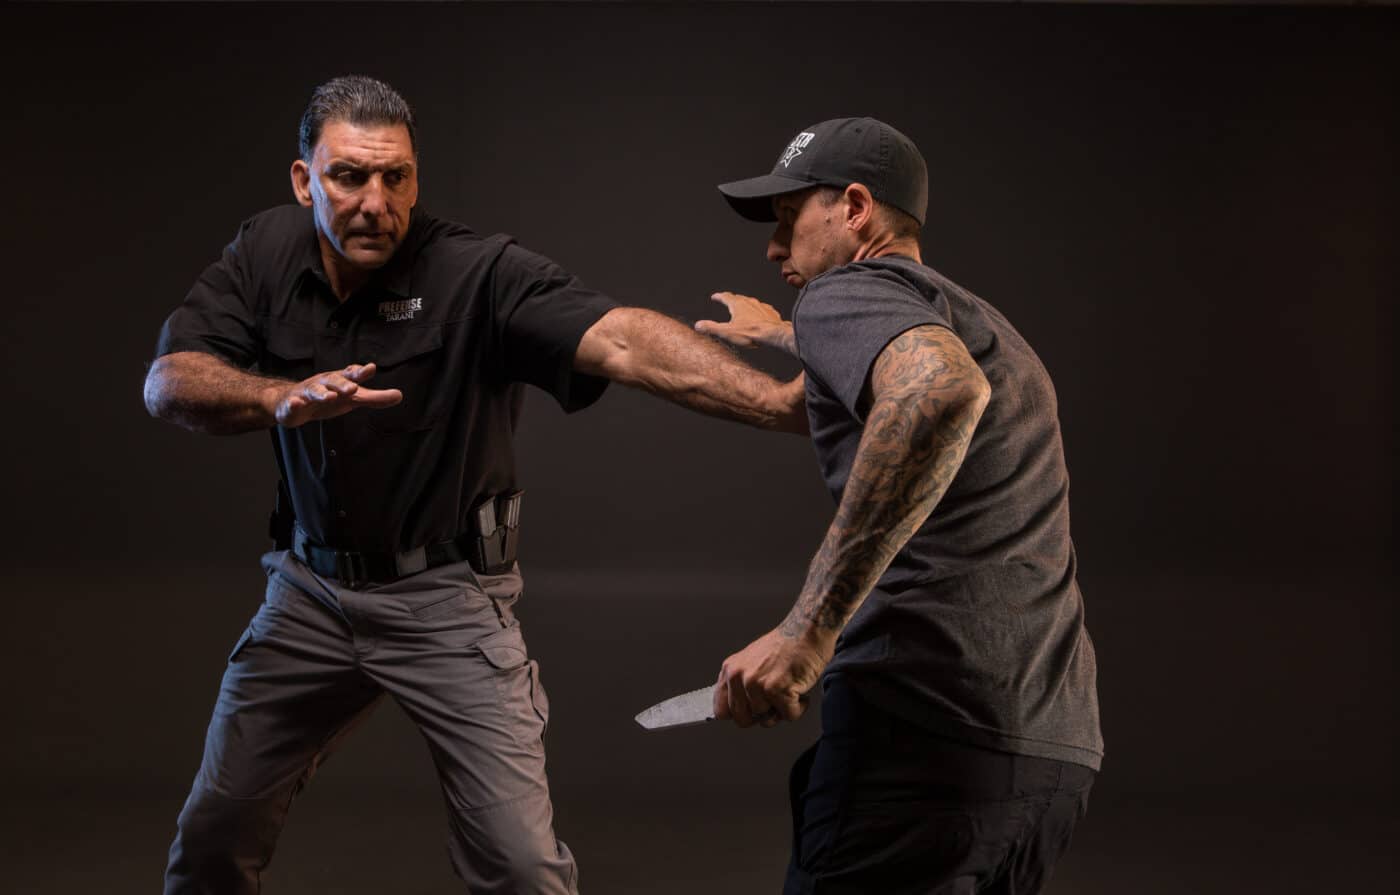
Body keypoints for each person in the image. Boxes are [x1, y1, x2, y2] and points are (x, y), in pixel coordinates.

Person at [143, 75, 805, 895]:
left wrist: (781, 406)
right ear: (304, 179)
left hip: (447, 602)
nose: (375, 201)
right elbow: (169, 382)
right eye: (349, 176)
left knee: (523, 870)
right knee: (212, 837)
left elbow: (625, 342)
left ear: (417, 178)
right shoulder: (264, 253)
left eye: (397, 177)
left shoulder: (477, 272)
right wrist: (277, 396)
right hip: (308, 595)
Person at [697, 117, 1103, 894]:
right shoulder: (987, 325)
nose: (774, 251)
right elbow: (872, 379)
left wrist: (805, 633)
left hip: (922, 732)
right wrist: (786, 334)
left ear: (855, 208)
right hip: (1050, 749)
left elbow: (936, 388)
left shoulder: (845, 291)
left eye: (787, 222)